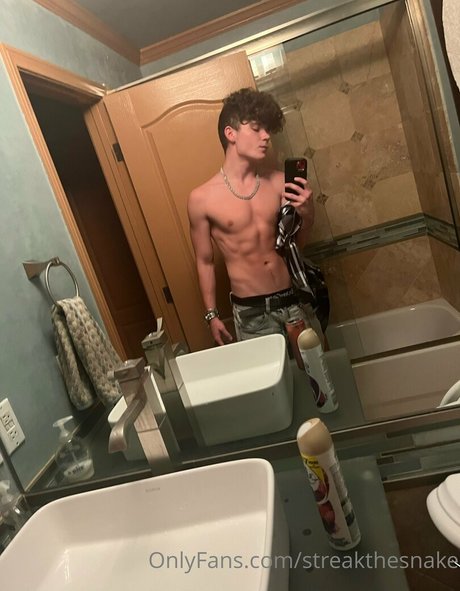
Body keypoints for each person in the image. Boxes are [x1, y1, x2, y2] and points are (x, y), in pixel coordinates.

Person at [187, 87, 321, 346]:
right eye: (257, 128)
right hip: (252, 314)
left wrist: (307, 213)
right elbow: (204, 261)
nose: (266, 136)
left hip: (293, 301)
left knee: (316, 370)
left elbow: (296, 247)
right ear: (231, 133)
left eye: (267, 129)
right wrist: (211, 315)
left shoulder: (280, 182)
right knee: (272, 375)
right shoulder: (201, 199)